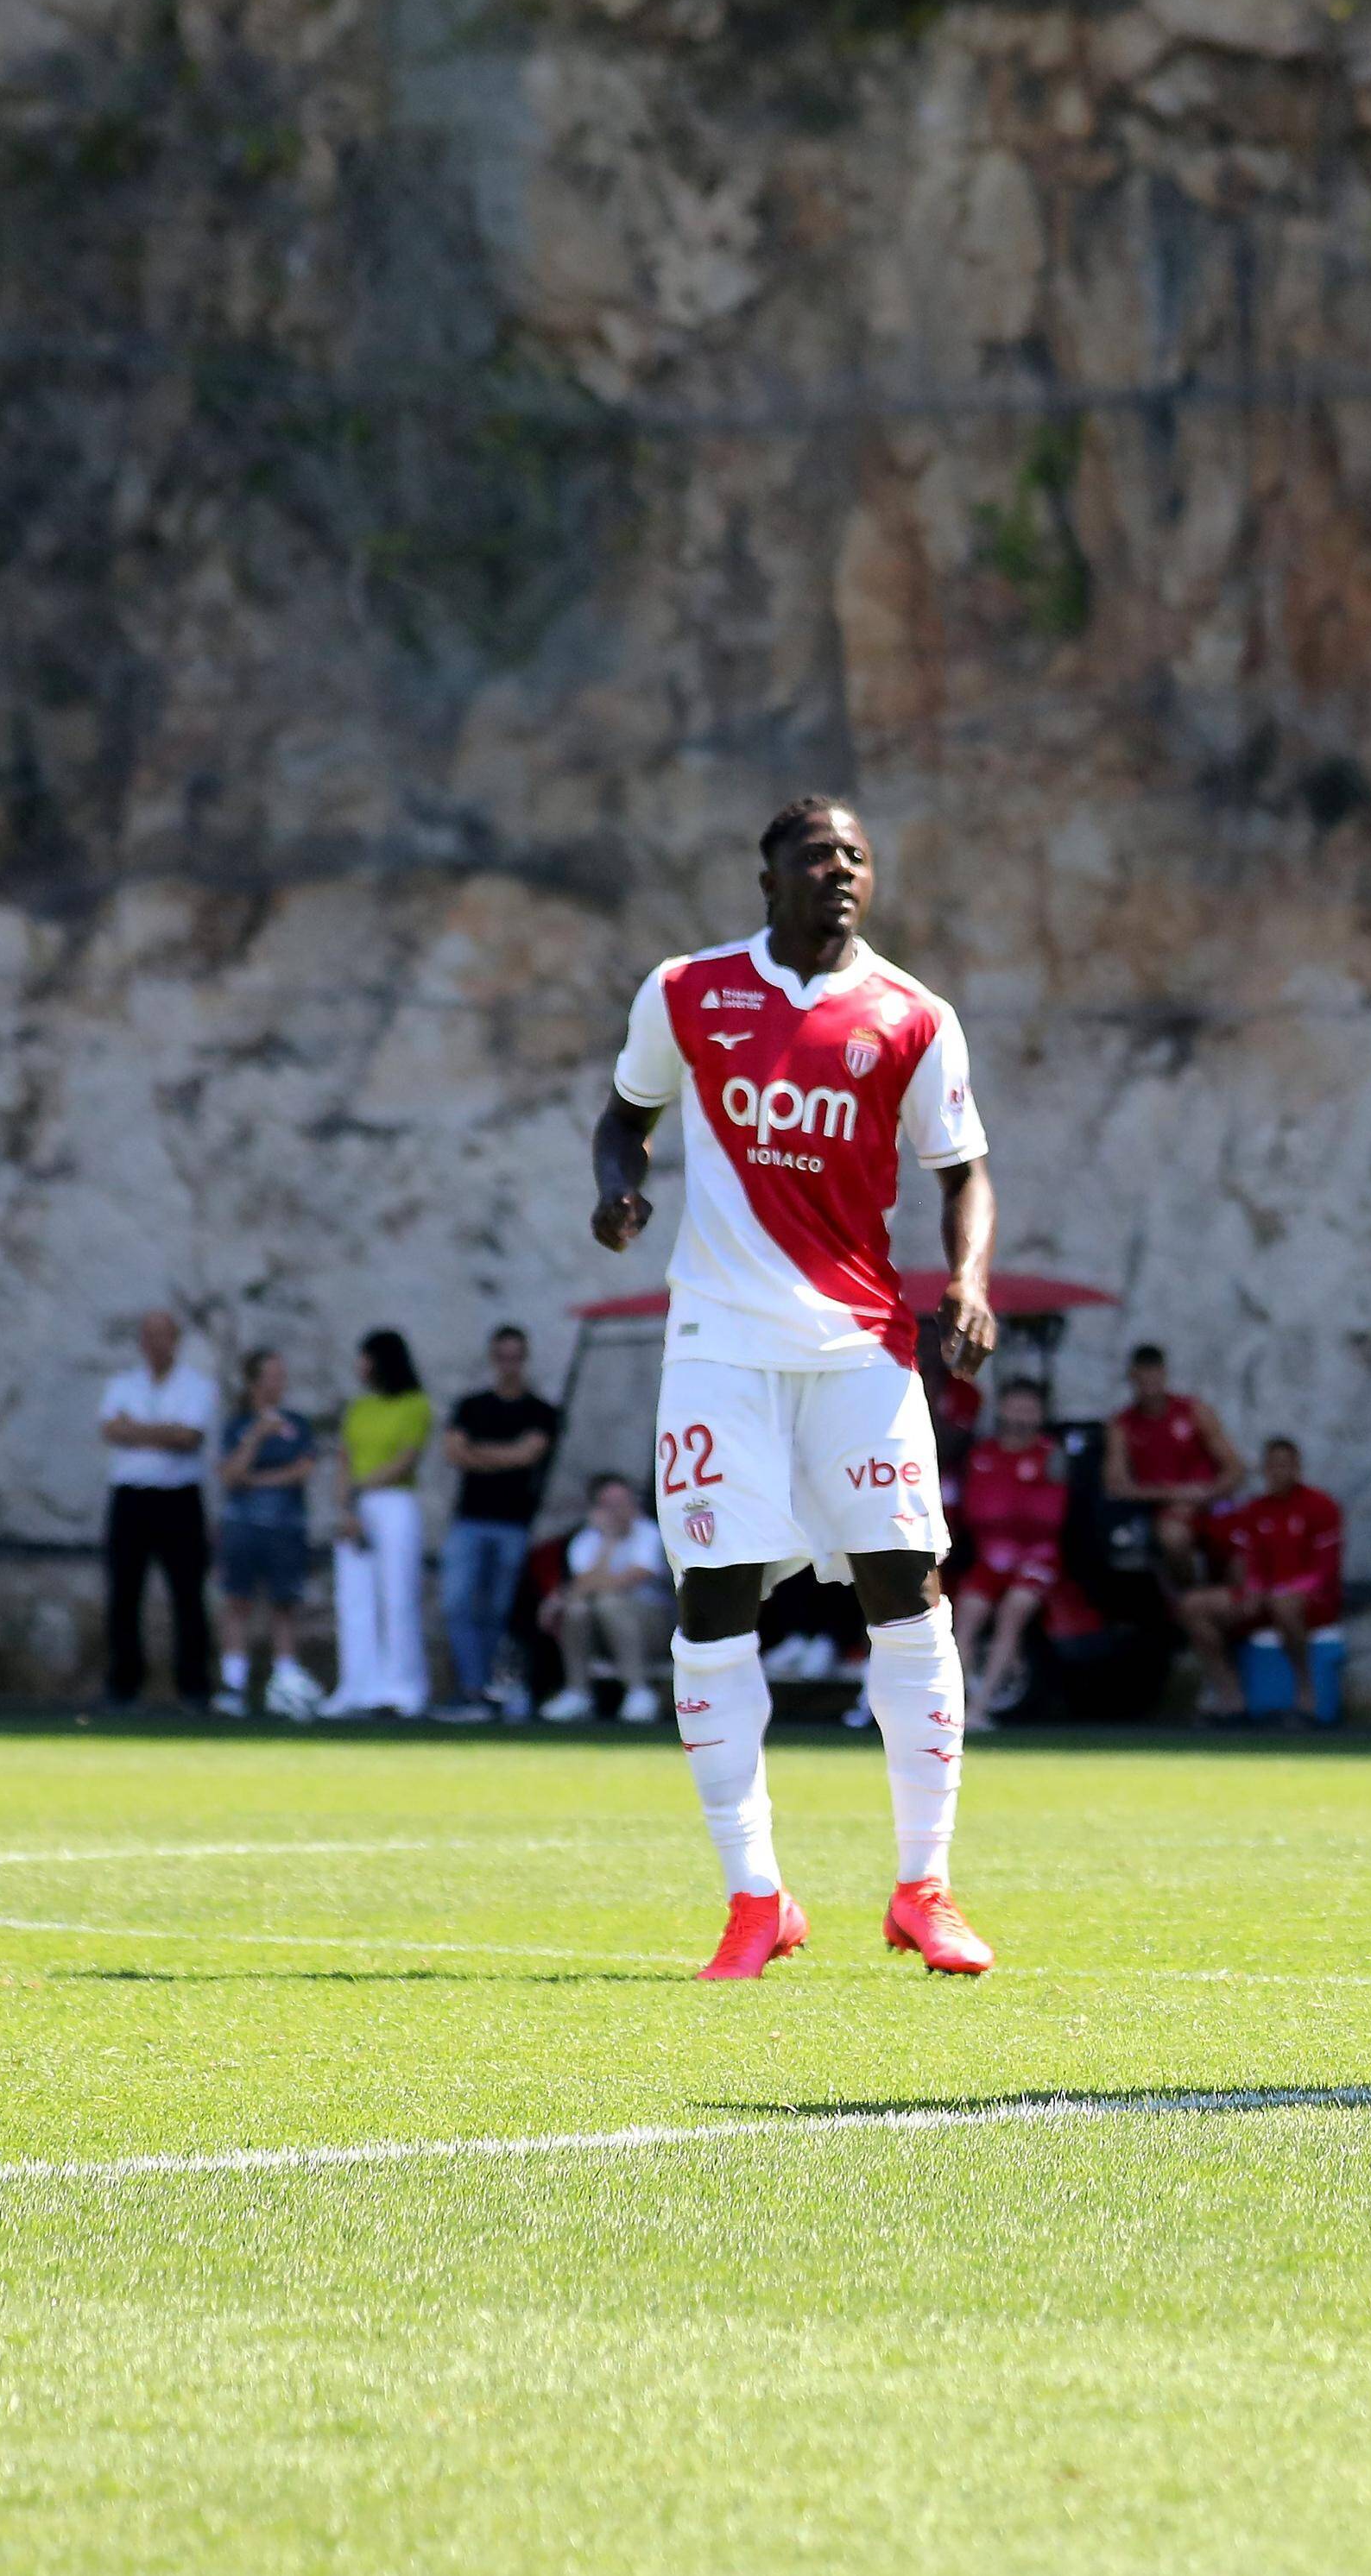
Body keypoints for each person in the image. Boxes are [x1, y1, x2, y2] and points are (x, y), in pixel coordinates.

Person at [593, 793, 1001, 1981]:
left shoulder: (913, 1015)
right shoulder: (686, 992)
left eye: (857, 855)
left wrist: (968, 1278)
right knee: (714, 1600)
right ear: (766, 871)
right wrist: (621, 1187)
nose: (841, 868)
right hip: (718, 1345)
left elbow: (964, 1168)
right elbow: (625, 1118)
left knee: (905, 1588)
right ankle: (754, 1897)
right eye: (818, 852)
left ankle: (924, 1886)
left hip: (860, 1350)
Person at [437, 1324, 561, 1722]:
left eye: (515, 1356)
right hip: (470, 1521)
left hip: (513, 1524)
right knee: (458, 1604)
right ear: (493, 1359)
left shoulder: (540, 1410)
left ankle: (495, 1686)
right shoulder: (472, 1405)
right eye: (502, 1356)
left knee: (500, 1609)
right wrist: (503, 1454)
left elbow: (527, 1456)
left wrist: (480, 1452)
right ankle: (473, 1686)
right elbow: (454, 1452)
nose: (509, 1365)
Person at [96, 1310, 217, 1711]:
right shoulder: (122, 1384)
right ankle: (123, 1684)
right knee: (124, 1592)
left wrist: (139, 1431)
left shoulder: (197, 1386)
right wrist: (163, 1431)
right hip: (131, 1497)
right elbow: (112, 1431)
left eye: (163, 1336)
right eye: (148, 1336)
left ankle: (194, 1686)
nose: (155, 1344)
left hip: (178, 1497)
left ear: (175, 1340)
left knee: (187, 1593)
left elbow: (189, 1436)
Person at [1194, 1439, 1347, 1727]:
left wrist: (1281, 1590)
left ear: (1297, 1467)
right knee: (1195, 1607)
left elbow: (1323, 1571)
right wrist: (1252, 1589)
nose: (1279, 1472)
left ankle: (1306, 1696)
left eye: (1285, 1465)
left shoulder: (1320, 1506)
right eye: (1273, 1465)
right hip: (1264, 1595)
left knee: (1285, 1605)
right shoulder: (1254, 1511)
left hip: (1308, 1600)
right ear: (1264, 1469)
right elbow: (1247, 1562)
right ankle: (1230, 1698)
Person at [325, 1331, 433, 1718]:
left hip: (393, 1502)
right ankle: (357, 1685)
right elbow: (343, 1459)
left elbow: (407, 1458)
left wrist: (360, 1488)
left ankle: (403, 1686)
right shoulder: (358, 1408)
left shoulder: (415, 1404)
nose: (360, 1366)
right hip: (357, 1505)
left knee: (397, 1595)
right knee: (354, 1598)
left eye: (365, 1357)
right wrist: (346, 1507)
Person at [211, 1349, 323, 1719]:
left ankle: (286, 1681)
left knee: (284, 1603)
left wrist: (256, 1480)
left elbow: (301, 1470)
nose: (280, 1382)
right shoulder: (239, 1425)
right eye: (272, 1375)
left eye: (282, 1375)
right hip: (242, 1526)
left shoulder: (297, 1424)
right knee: (237, 1601)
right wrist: (256, 1437)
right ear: (255, 1381)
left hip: (286, 1525)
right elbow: (230, 1476)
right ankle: (234, 1684)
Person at [951, 1378, 1071, 1725]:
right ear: (1002, 1409)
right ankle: (959, 1706)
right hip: (991, 1558)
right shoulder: (982, 1455)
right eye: (1016, 1407)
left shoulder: (1051, 1455)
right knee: (967, 1617)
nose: (1022, 1416)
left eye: (1030, 1409)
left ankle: (982, 1706)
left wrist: (1008, 1514)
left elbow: (1050, 1516)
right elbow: (976, 1511)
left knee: (1013, 1611)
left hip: (1036, 1558)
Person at [534, 1473, 672, 1722]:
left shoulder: (649, 1533)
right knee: (576, 1609)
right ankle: (578, 1691)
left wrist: (576, 1591)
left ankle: (638, 1690)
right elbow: (580, 1586)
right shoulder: (587, 1540)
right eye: (609, 1506)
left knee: (608, 1602)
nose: (617, 1512)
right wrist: (608, 1542)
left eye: (623, 1503)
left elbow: (628, 1579)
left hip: (654, 1628)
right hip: (603, 1630)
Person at [1104, 1346, 1239, 1580]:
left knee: (1241, 1538)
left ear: (1164, 1374)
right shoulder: (1122, 1425)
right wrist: (1174, 1495)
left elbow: (1235, 1468)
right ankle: (1189, 1599)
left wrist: (1208, 1494)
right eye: (1142, 1377)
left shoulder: (1195, 1411)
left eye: (1154, 1375)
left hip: (1209, 1502)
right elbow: (1116, 1485)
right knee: (1173, 1537)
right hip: (1164, 1510)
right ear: (1132, 1378)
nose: (1149, 1384)